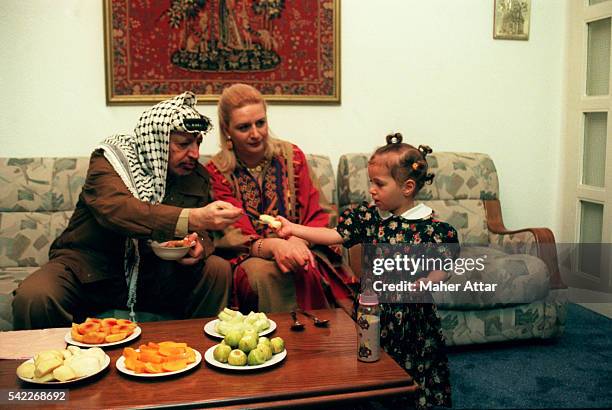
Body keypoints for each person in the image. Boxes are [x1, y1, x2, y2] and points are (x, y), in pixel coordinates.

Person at [12, 92, 243, 330]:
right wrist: (192, 218)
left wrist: (199, 245)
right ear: (157, 142)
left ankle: (197, 350)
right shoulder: (111, 161)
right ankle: (49, 363)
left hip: (154, 275)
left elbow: (203, 232)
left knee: (217, 269)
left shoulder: (195, 176)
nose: (194, 153)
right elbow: (117, 210)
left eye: (198, 143)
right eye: (184, 144)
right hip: (90, 267)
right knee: (34, 296)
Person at [275, 133, 457, 409]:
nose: (372, 189)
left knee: (415, 364)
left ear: (407, 187)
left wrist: (428, 280)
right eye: (371, 182)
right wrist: (293, 228)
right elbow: (334, 235)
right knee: (372, 358)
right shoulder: (369, 217)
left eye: (379, 184)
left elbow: (446, 263)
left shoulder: (432, 228)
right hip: (374, 310)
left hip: (413, 317)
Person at [205, 83, 355, 313]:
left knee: (304, 262)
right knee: (260, 274)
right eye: (244, 127)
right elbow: (232, 235)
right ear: (227, 130)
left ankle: (318, 341)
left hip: (303, 245)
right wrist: (274, 246)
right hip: (251, 256)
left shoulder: (291, 157)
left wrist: (298, 240)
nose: (255, 134)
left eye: (260, 123)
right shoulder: (217, 172)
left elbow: (319, 213)